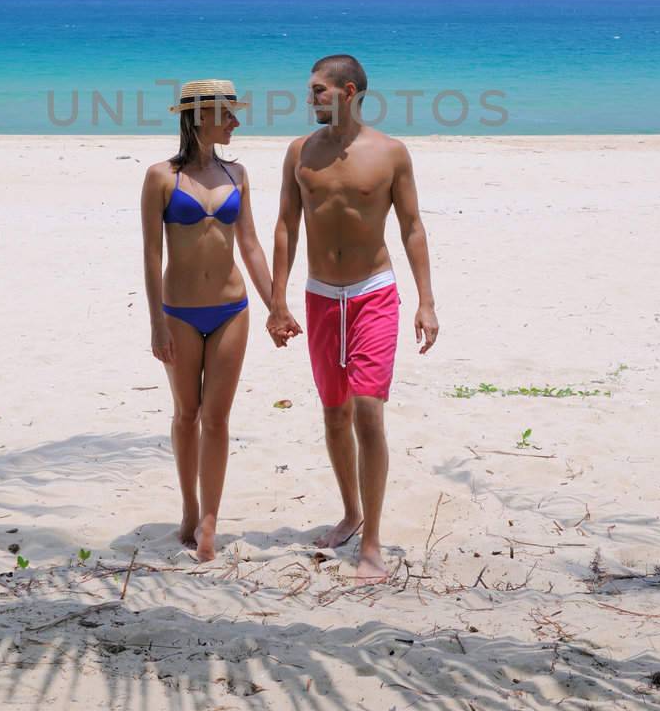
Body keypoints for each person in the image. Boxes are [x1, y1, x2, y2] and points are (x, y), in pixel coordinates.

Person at [267, 54, 438, 583]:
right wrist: (277, 302)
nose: (309, 98)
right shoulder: (299, 152)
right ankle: (350, 512)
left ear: (347, 91)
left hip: (373, 292)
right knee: (335, 412)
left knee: (368, 410)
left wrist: (426, 301)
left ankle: (372, 542)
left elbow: (411, 227)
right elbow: (285, 229)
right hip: (320, 295)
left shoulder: (390, 153)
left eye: (318, 90)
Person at [141, 79, 273, 562]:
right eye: (227, 115)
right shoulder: (161, 177)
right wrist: (156, 323)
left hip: (231, 309)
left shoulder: (238, 173)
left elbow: (252, 245)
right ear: (200, 118)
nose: (236, 123)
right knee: (186, 413)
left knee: (216, 418)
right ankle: (190, 508)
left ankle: (211, 521)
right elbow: (151, 255)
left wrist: (276, 303)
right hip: (177, 312)